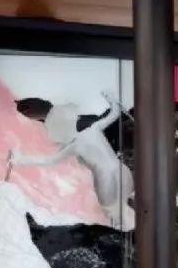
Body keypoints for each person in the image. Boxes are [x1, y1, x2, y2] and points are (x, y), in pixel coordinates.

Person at [8, 91, 134, 230]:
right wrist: (111, 100)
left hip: (105, 180)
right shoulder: (93, 129)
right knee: (128, 206)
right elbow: (114, 113)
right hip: (123, 172)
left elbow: (47, 160)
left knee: (117, 218)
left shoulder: (74, 145)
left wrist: (19, 159)